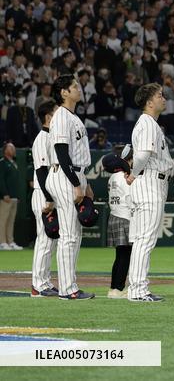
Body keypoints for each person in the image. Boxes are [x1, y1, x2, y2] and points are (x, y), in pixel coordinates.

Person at [47, 74, 95, 300]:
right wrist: (76, 184)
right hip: (65, 175)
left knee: (74, 234)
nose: (79, 88)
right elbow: (61, 152)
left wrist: (85, 183)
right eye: (74, 86)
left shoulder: (72, 116)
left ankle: (70, 285)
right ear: (64, 92)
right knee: (68, 235)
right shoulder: (61, 116)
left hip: (76, 174)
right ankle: (68, 289)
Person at [127, 83, 173, 303]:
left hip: (149, 183)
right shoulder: (147, 123)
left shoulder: (149, 123)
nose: (163, 99)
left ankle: (137, 287)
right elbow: (143, 155)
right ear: (149, 102)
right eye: (159, 96)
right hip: (149, 183)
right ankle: (138, 289)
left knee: (141, 240)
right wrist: (132, 174)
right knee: (145, 240)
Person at [29, 100, 58, 296]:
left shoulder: (53, 137)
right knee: (45, 240)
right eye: (56, 113)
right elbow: (41, 171)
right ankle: (38, 285)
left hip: (51, 194)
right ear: (48, 117)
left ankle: (45, 281)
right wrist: (49, 198)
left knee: (51, 240)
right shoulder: (42, 139)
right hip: (42, 194)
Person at [104, 146, 133, 299]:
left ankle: (114, 288)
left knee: (120, 255)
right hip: (125, 216)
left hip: (114, 215)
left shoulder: (112, 177)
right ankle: (118, 288)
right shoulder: (124, 176)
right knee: (125, 256)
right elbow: (130, 198)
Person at [0, 142, 20, 250]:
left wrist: (17, 196)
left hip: (14, 197)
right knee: (3, 220)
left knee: (11, 220)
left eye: (14, 148)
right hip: (6, 197)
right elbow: (1, 180)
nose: (14, 150)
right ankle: (2, 242)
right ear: (5, 150)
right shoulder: (2, 163)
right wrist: (4, 193)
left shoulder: (14, 163)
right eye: (11, 148)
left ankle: (10, 241)